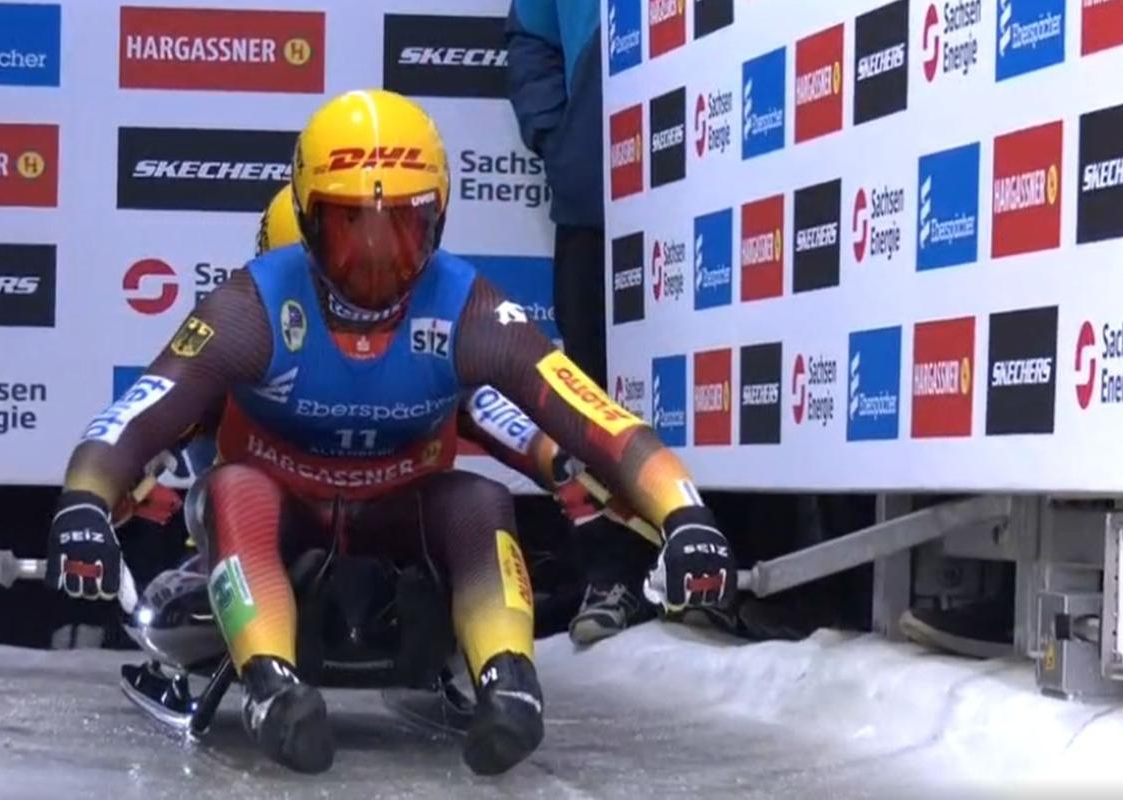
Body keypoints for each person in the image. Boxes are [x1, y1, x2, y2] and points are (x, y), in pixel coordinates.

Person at [45, 89, 734, 776]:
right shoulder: (251, 306)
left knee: (478, 501)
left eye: (402, 229)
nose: (375, 262)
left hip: (397, 516)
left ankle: (511, 682)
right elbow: (142, 412)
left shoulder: (468, 308)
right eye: (350, 230)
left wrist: (686, 515)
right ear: (308, 224)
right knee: (234, 489)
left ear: (437, 220)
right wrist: (85, 503)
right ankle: (271, 686)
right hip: (280, 515)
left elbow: (592, 416)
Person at [505, 0, 662, 644]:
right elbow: (531, 36)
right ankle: (611, 576)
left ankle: (722, 574)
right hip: (598, 199)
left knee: (737, 380)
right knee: (592, 395)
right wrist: (561, 138)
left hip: (722, 175)